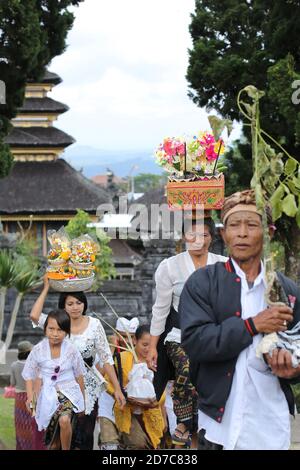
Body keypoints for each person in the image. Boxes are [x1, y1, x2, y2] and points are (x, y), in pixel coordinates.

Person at [180, 190, 300, 450]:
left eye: (252, 225)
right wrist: (251, 325)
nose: (242, 233)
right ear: (224, 234)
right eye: (234, 225)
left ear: (269, 233)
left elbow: (298, 343)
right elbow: (194, 342)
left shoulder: (288, 291)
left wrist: (294, 368)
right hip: (218, 425)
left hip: (270, 423)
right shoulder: (203, 283)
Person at [147, 216, 227, 446]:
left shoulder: (223, 264)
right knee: (187, 366)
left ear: (212, 238)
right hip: (180, 334)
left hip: (213, 334)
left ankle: (206, 424)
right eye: (192, 235)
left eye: (204, 235)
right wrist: (152, 346)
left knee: (213, 379)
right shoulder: (169, 267)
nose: (198, 240)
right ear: (184, 237)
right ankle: (184, 420)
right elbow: (160, 309)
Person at [30, 276, 125, 450]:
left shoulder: (95, 325)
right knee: (61, 434)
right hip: (59, 386)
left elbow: (106, 358)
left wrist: (117, 388)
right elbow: (34, 316)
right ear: (63, 306)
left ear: (84, 304)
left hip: (87, 387)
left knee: (85, 435)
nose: (75, 307)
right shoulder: (57, 324)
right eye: (70, 303)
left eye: (79, 303)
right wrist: (45, 288)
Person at [23, 310, 86, 450]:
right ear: (45, 329)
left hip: (69, 393)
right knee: (53, 442)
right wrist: (30, 399)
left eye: (60, 330)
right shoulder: (38, 350)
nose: (55, 334)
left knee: (64, 420)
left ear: (67, 332)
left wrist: (83, 400)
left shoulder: (71, 350)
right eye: (51, 329)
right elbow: (29, 375)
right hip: (46, 396)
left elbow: (79, 375)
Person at [107, 325, 165, 450]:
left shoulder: (157, 361)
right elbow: (108, 381)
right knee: (138, 444)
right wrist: (119, 394)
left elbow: (162, 390)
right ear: (134, 340)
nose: (148, 349)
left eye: (151, 345)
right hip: (128, 411)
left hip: (151, 412)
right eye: (144, 345)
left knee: (153, 445)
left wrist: (152, 402)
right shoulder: (122, 358)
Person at [97, 316, 139, 450]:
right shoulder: (106, 350)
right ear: (116, 334)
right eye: (124, 337)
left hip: (131, 406)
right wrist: (110, 350)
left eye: (132, 337)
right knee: (110, 445)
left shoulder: (140, 354)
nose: (129, 341)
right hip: (108, 404)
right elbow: (99, 374)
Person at [10, 340, 33, 450]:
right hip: (31, 397)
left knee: (20, 425)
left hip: (19, 398)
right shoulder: (33, 365)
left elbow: (12, 383)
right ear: (29, 352)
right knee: (32, 424)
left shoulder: (14, 365)